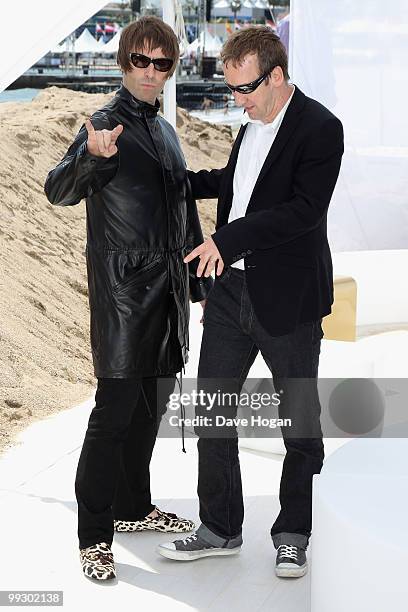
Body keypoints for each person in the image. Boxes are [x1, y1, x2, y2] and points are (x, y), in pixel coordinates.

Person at [158, 26, 344, 578]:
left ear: (277, 76)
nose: (236, 101)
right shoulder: (252, 125)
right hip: (230, 294)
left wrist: (226, 240)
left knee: (299, 425)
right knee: (212, 412)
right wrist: (181, 183)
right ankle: (219, 527)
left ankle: (292, 533)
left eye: (245, 90)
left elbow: (302, 211)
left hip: (289, 299)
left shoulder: (320, 129)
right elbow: (242, 187)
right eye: (233, 89)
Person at [44, 16, 212, 581]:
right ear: (123, 63)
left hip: (167, 296)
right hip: (122, 297)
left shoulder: (164, 131)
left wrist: (198, 279)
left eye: (161, 63)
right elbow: (58, 189)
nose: (150, 72)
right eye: (140, 60)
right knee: (113, 414)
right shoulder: (105, 123)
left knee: (150, 410)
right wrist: (91, 155)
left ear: (171, 68)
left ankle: (133, 509)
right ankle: (94, 533)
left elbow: (183, 209)